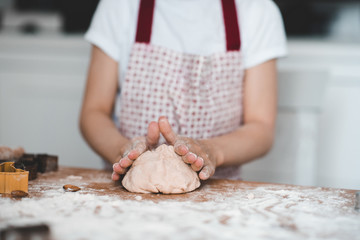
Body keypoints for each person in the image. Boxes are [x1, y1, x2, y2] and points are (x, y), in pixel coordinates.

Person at [79, 0, 287, 182]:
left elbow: (260, 129)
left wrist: (212, 151)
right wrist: (122, 149)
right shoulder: (120, 6)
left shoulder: (257, 11)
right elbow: (93, 112)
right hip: (127, 196)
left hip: (219, 198)